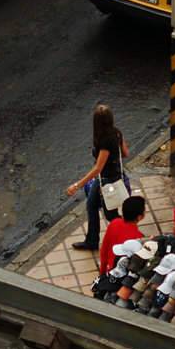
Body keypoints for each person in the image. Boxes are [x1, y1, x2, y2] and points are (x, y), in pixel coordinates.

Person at [66, 103, 131, 251]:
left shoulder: (105, 141)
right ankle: (92, 240)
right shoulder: (117, 133)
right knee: (91, 205)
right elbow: (126, 153)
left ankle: (127, 236)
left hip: (107, 181)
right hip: (113, 176)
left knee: (111, 214)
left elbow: (98, 168)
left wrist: (77, 185)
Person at [98, 195, 147, 275]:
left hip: (109, 270)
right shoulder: (138, 238)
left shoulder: (114, 223)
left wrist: (102, 273)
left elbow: (104, 250)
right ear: (139, 217)